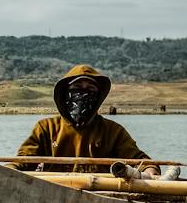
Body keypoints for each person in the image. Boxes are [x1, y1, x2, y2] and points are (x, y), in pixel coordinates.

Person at [15, 64, 154, 173]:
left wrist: (150, 170)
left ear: (97, 97)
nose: (83, 93)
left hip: (102, 196)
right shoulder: (46, 127)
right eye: (77, 87)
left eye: (90, 89)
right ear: (65, 94)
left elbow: (140, 161)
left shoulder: (113, 131)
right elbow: (24, 161)